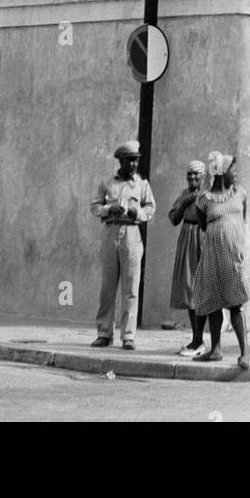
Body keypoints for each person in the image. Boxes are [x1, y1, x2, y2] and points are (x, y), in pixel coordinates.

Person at [89, 140, 155, 350]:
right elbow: (95, 206)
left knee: (131, 287)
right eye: (130, 161)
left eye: (136, 161)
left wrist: (139, 213)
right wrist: (110, 209)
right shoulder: (108, 183)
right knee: (107, 288)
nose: (134, 165)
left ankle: (128, 335)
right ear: (121, 161)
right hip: (111, 232)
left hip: (132, 234)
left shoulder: (142, 185)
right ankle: (104, 333)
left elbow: (150, 208)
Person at [192, 151, 250, 370]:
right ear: (222, 172)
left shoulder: (240, 194)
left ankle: (244, 353)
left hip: (233, 257)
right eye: (232, 169)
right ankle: (215, 349)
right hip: (212, 256)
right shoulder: (204, 199)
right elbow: (204, 226)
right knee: (214, 303)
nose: (236, 173)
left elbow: (240, 222)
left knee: (236, 304)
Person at [168, 159, 207, 357]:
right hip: (187, 238)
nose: (192, 178)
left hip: (202, 238)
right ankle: (196, 338)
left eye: (196, 174)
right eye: (189, 174)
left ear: (203, 176)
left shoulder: (208, 195)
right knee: (189, 290)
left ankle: (200, 340)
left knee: (200, 290)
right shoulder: (185, 194)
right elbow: (174, 218)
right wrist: (185, 202)